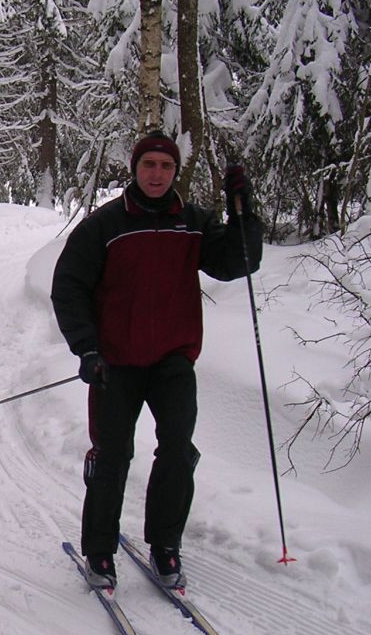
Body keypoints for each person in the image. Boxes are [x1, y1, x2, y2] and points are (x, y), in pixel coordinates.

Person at [50, 131, 263, 590]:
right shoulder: (105, 226)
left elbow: (236, 262)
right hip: (115, 362)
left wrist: (244, 213)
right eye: (149, 165)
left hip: (172, 359)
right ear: (135, 168)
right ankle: (100, 552)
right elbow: (68, 286)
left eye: (166, 167)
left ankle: (165, 545)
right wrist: (86, 348)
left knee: (177, 452)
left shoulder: (193, 223)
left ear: (175, 172)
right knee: (112, 457)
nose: (157, 174)